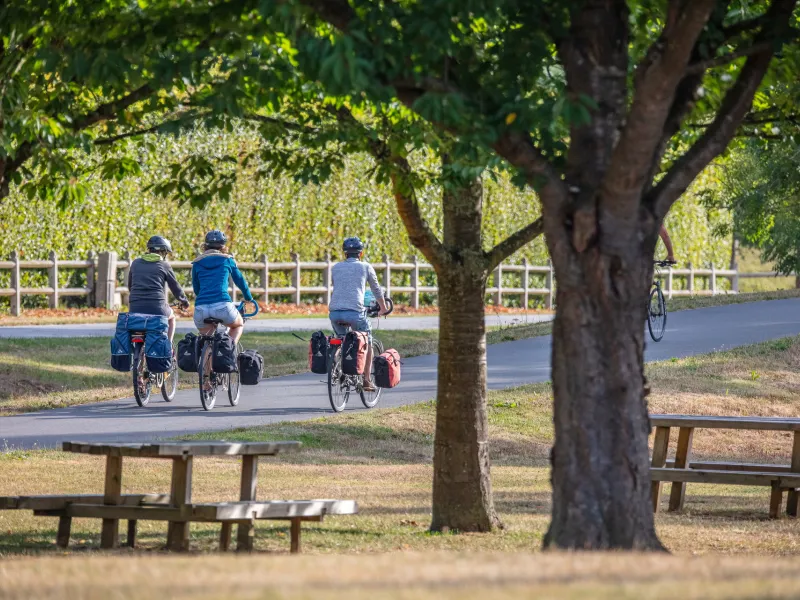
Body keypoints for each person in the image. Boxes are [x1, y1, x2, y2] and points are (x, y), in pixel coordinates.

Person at [329, 236, 389, 391]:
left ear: (345, 254)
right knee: (367, 341)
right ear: (360, 254)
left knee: (342, 340)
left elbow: (340, 288)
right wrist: (382, 308)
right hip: (355, 313)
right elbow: (376, 289)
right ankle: (367, 380)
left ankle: (338, 369)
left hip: (334, 313)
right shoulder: (365, 267)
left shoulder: (335, 268)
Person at [191, 229, 254, 345]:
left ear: (205, 246)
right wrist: (248, 297)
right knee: (238, 324)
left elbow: (196, 288)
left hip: (201, 308)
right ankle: (228, 351)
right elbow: (240, 281)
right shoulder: (227, 260)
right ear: (223, 247)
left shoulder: (197, 263)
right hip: (222, 306)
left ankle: (204, 360)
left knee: (206, 342)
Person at [127, 235, 190, 344]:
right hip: (157, 308)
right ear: (163, 252)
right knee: (172, 318)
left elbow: (130, 286)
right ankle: (169, 346)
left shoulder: (135, 263)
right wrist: (184, 301)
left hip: (135, 308)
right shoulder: (164, 265)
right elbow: (175, 287)